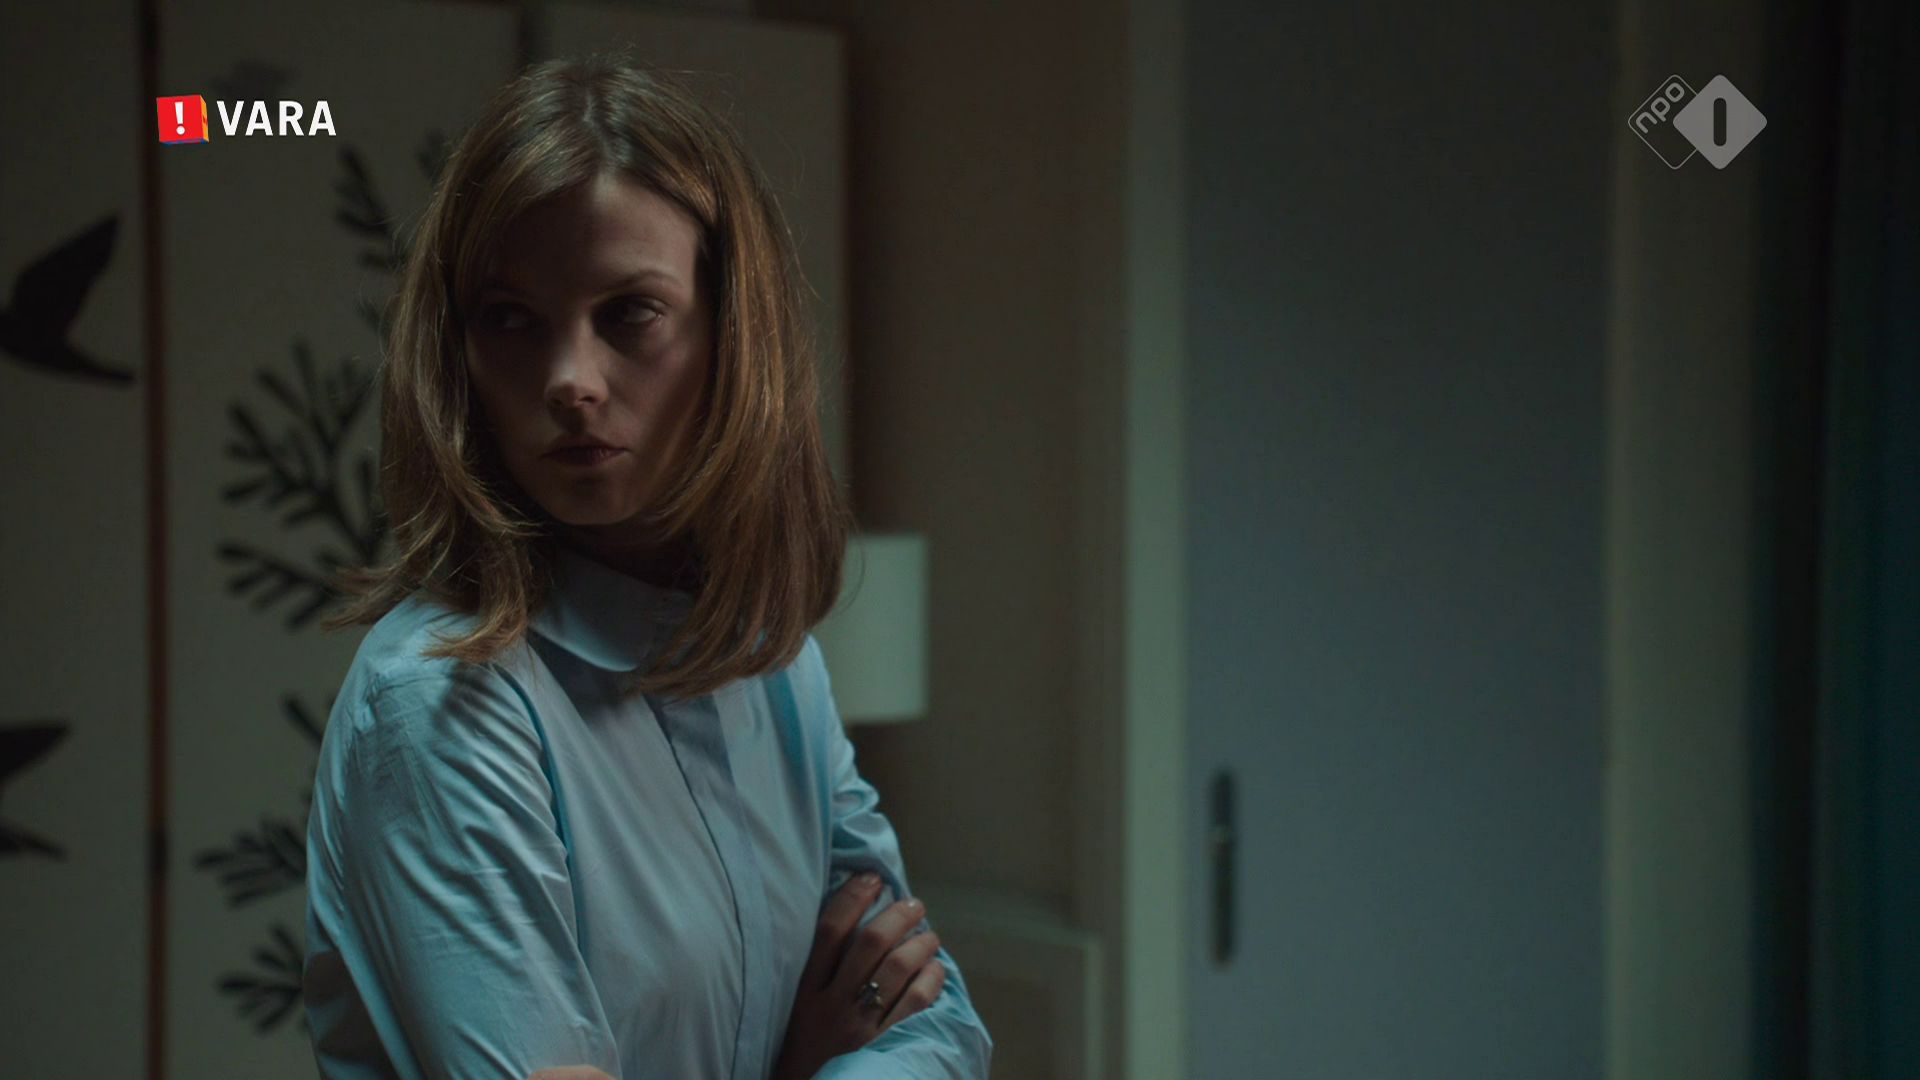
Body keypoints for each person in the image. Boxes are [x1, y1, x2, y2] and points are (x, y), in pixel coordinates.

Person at [299, 54, 993, 1080]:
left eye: (628, 314)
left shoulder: (773, 658)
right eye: (510, 319)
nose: (570, 380)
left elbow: (932, 1022)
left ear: (733, 337)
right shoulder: (441, 700)